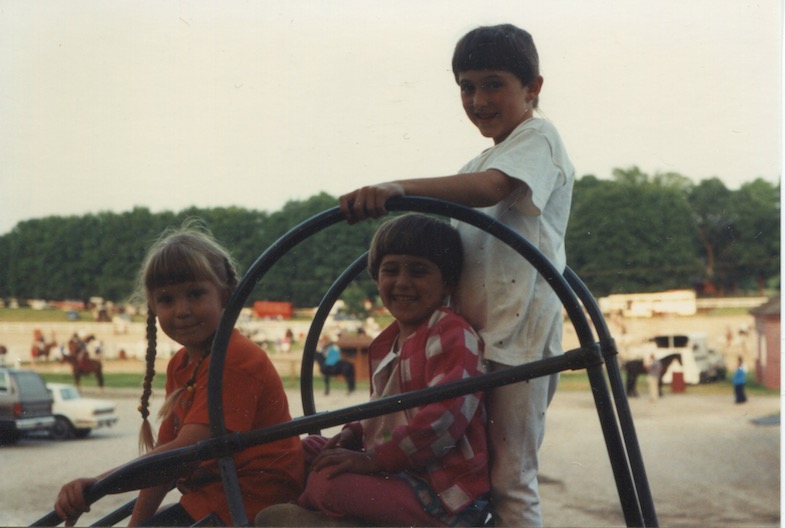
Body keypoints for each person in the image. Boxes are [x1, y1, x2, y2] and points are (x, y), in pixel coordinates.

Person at [337, 24, 574, 526]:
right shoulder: (479, 159)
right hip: (471, 345)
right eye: (467, 87)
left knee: (512, 481)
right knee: (465, 471)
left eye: (493, 84)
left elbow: (492, 188)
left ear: (533, 87)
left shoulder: (538, 138)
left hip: (518, 345)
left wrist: (396, 188)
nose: (478, 99)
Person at [53, 222, 304, 527]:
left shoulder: (235, 358)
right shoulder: (181, 364)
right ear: (153, 307)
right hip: (217, 495)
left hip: (252, 498)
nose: (182, 310)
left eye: (195, 294)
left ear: (225, 296)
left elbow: (183, 453)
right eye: (167, 300)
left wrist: (100, 483)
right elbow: (165, 457)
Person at [256, 213, 490, 527]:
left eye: (418, 272)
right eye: (390, 270)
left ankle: (323, 516)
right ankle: (327, 512)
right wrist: (352, 434)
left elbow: (442, 421)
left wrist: (371, 460)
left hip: (439, 493)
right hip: (395, 472)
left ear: (446, 281)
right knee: (302, 451)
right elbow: (378, 410)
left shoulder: (451, 334)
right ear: (376, 278)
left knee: (328, 481)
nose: (403, 282)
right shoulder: (385, 342)